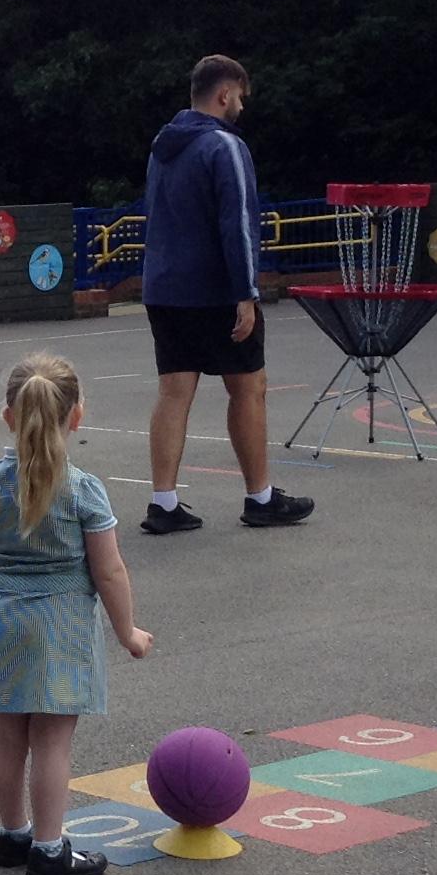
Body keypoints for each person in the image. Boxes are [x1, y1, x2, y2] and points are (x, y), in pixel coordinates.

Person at [0, 354, 156, 875]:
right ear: (77, 416)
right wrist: (127, 631)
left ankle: (13, 835)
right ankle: (49, 850)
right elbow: (109, 570)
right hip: (62, 626)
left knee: (8, 736)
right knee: (51, 741)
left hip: (3, 618)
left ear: (9, 416)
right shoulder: (82, 489)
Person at [139, 54, 315, 533]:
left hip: (164, 287)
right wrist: (246, 292)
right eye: (240, 96)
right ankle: (260, 497)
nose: (241, 105)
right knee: (248, 388)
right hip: (215, 291)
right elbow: (237, 222)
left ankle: (163, 503)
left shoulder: (162, 148)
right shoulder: (225, 146)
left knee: (174, 392)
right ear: (224, 93)